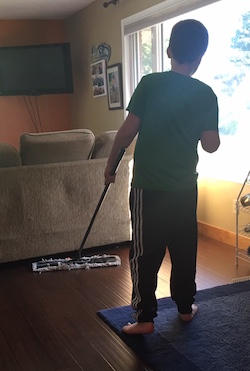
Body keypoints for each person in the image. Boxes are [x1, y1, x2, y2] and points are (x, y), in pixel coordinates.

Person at [104, 19, 220, 335]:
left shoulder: (150, 84)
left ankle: (144, 319)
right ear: (200, 58)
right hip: (184, 189)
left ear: (168, 50)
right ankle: (185, 309)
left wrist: (110, 167)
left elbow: (127, 131)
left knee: (145, 252)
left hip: (148, 190)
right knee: (184, 251)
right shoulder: (205, 94)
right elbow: (211, 145)